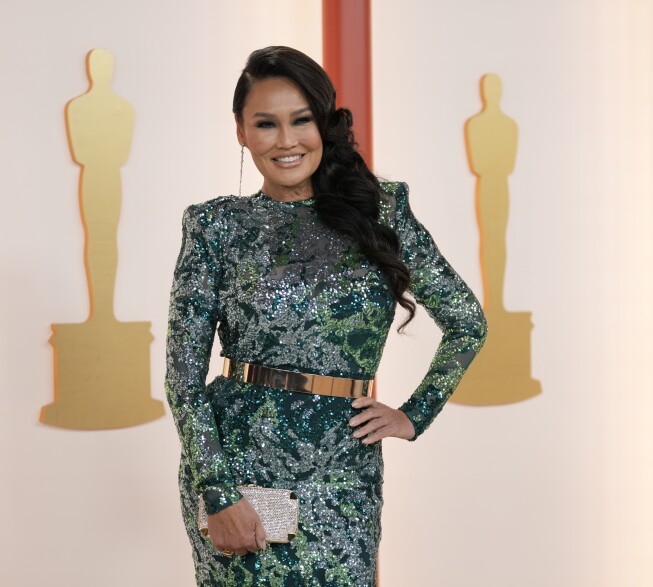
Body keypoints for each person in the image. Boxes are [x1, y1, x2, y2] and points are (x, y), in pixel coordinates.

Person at [165, 45, 487, 587]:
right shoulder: (214, 226)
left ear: (324, 124)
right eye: (265, 124)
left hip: (344, 473)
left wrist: (415, 414)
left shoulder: (380, 212)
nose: (286, 141)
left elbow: (466, 322)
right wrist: (217, 490)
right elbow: (182, 377)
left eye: (301, 120)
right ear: (241, 132)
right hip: (239, 469)